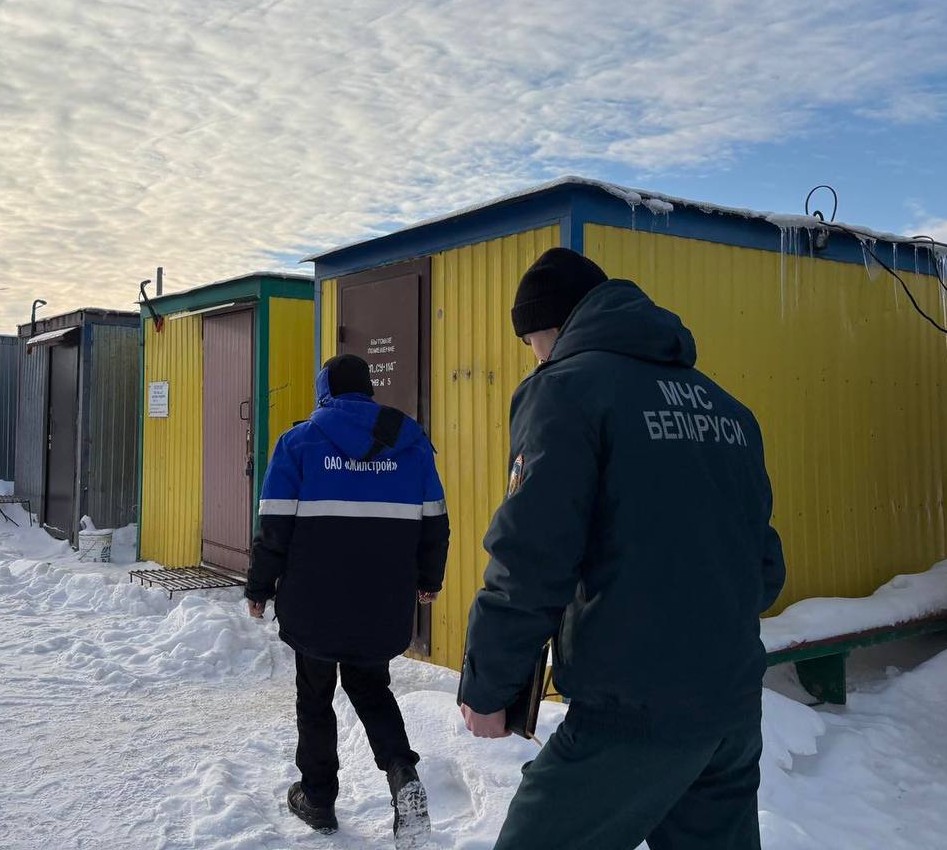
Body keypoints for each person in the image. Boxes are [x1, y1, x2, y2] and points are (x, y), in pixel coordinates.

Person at [458, 247, 786, 850]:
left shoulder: (564, 391)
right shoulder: (729, 412)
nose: (535, 355)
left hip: (632, 712)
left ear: (551, 326)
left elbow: (531, 557)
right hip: (732, 708)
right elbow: (764, 568)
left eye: (531, 340)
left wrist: (488, 684)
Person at [246, 353, 451, 846]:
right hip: (382, 600)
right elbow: (435, 523)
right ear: (368, 390)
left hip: (313, 600)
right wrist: (429, 579)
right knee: (372, 688)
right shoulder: (410, 442)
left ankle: (318, 798)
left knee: (315, 696)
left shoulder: (298, 443)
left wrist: (259, 586)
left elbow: (274, 527)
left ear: (325, 391)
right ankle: (403, 775)